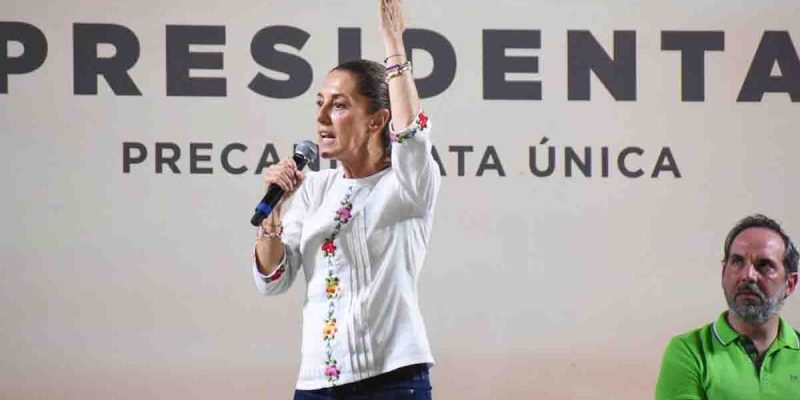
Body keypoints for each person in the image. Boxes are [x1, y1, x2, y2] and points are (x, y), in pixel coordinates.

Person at [250, 1, 439, 398]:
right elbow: (274, 281)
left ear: (377, 120)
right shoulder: (313, 189)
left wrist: (394, 46)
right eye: (319, 103)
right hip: (315, 385)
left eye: (338, 106)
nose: (321, 118)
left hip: (392, 380)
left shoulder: (407, 184)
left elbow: (413, 134)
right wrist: (273, 216)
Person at [655, 214, 800, 400]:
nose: (748, 275)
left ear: (790, 283)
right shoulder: (689, 350)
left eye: (764, 265)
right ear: (724, 272)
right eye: (737, 262)